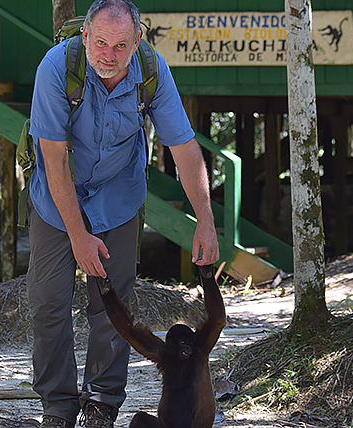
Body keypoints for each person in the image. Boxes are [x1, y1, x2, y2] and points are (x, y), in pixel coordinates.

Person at [24, 1, 220, 427]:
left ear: (136, 43)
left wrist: (204, 218)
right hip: (58, 197)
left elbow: (184, 147)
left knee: (111, 306)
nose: (108, 54)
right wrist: (77, 235)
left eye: (119, 45)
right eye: (100, 42)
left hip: (119, 195)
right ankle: (57, 407)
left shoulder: (151, 71)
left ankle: (102, 403)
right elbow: (53, 161)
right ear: (84, 36)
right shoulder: (56, 69)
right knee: (48, 302)